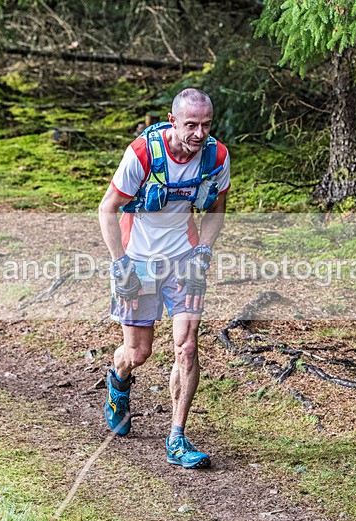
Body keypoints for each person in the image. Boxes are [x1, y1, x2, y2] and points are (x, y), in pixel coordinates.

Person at [98, 88, 230, 469]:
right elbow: (108, 209)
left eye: (206, 125)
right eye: (191, 125)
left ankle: (177, 438)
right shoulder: (142, 154)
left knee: (187, 347)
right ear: (173, 121)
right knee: (138, 353)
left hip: (184, 259)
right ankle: (118, 382)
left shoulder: (216, 156)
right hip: (137, 258)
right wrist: (120, 265)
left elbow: (217, 208)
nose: (199, 133)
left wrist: (203, 252)